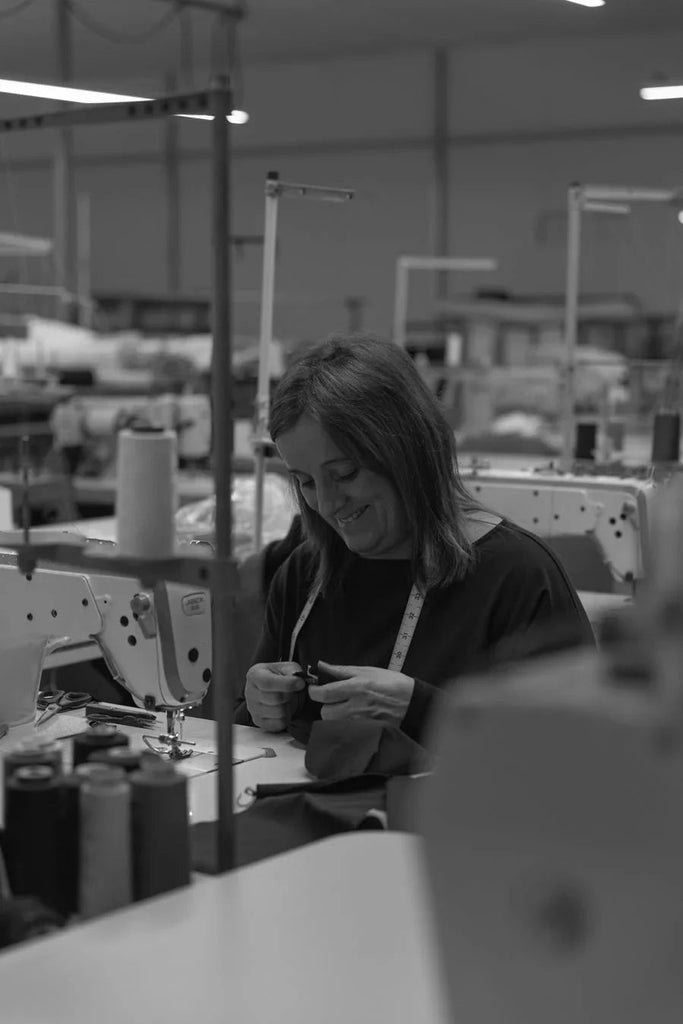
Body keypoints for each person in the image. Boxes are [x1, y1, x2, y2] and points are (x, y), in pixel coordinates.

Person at [237, 334, 594, 743]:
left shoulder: (518, 578)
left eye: (345, 473)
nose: (328, 503)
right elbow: (253, 742)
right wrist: (256, 705)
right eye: (305, 482)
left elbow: (578, 754)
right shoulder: (305, 575)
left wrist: (423, 711)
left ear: (404, 451)